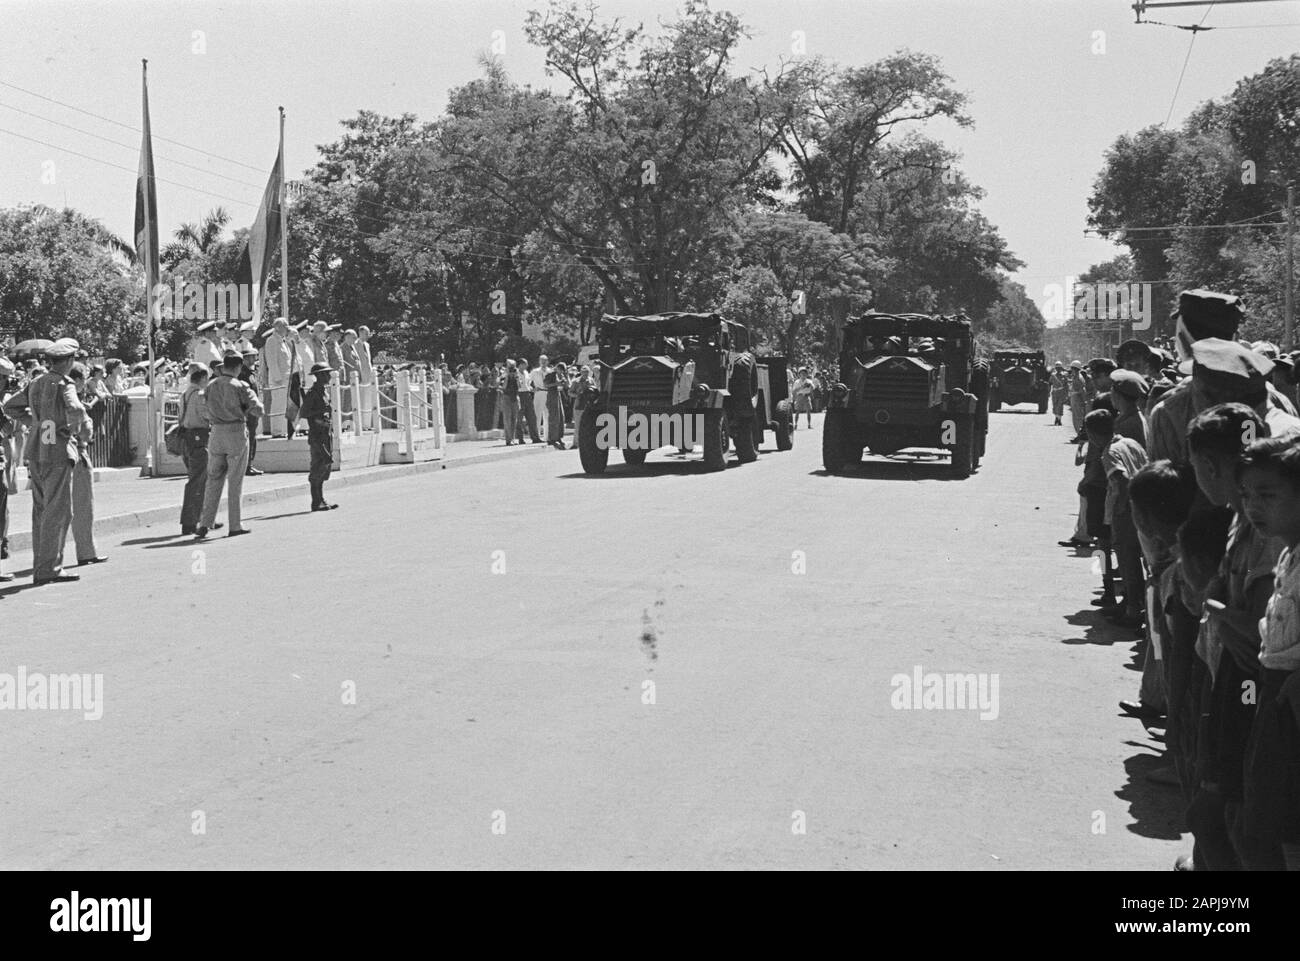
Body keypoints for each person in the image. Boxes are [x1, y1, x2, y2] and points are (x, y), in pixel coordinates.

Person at [1184, 402, 1281, 871]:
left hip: (1247, 692)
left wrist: (1216, 608)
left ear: (1207, 465)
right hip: (1236, 685)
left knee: (1224, 814)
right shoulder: (1247, 516)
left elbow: (1256, 634)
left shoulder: (1265, 531)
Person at [1238, 435, 1300, 869]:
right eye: (1246, 495)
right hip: (1276, 693)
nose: (1253, 506)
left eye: (1267, 495)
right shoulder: (1287, 555)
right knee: (1268, 820)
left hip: (1291, 697)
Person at [3, 341, 84, 583]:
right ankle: (48, 568)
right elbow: (76, 409)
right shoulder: (63, 383)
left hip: (36, 451)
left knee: (41, 511)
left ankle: (42, 565)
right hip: (57, 452)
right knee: (57, 513)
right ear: (68, 361)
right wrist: (71, 428)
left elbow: (10, 406)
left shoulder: (36, 382)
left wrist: (36, 422)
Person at [195, 352, 263, 540]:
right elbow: (259, 409)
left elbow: (204, 410)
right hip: (235, 432)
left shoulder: (210, 386)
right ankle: (235, 524)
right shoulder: (240, 386)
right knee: (235, 481)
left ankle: (205, 523)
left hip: (216, 433)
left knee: (213, 479)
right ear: (239, 366)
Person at [65, 364, 107, 567]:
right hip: (77, 451)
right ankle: (86, 552)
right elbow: (85, 432)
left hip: (57, 453)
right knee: (83, 506)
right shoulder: (74, 402)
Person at [299, 363, 338, 511]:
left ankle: (321, 499)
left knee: (324, 468)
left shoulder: (323, 392)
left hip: (325, 433)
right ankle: (316, 501)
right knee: (318, 467)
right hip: (317, 435)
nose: (328, 376)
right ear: (319, 376)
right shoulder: (313, 393)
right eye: (326, 374)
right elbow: (304, 413)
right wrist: (320, 410)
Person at [178, 366, 212, 536]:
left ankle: (203, 518)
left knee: (198, 479)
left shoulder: (185, 394)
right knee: (198, 480)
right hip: (199, 437)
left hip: (188, 438)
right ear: (203, 378)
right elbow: (207, 415)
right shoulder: (199, 395)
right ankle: (191, 521)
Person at [262, 317, 292, 438]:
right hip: (278, 380)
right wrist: (277, 377)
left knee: (284, 405)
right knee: (278, 405)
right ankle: (277, 431)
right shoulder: (272, 341)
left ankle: (283, 429)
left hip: (286, 378)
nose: (287, 329)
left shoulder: (283, 341)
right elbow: (272, 362)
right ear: (277, 327)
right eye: (285, 326)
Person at [240, 346, 264, 476]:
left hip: (253, 411)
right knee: (249, 438)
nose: (254, 359)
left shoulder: (250, 373)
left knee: (252, 437)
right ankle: (247, 465)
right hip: (248, 411)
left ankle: (250, 463)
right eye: (251, 356)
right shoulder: (242, 374)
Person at [516, 357, 540, 443]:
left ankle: (535, 437)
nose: (527, 365)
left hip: (527, 394)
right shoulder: (516, 373)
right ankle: (520, 438)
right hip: (520, 394)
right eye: (525, 363)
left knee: (532, 417)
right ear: (520, 364)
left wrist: (532, 389)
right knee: (519, 418)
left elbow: (528, 384)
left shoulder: (526, 373)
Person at [545, 361, 566, 449]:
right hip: (551, 395)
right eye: (560, 369)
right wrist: (556, 384)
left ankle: (558, 436)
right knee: (554, 417)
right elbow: (546, 384)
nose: (561, 371)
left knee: (561, 417)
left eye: (562, 370)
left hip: (558, 394)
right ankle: (552, 438)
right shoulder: (550, 374)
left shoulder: (561, 375)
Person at [500, 359, 520, 445]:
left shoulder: (517, 375)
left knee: (514, 419)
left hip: (515, 398)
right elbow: (503, 387)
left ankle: (512, 438)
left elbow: (519, 386)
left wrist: (516, 377)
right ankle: (508, 439)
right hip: (506, 397)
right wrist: (507, 376)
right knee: (507, 419)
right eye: (510, 369)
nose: (512, 371)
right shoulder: (504, 375)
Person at [531, 354, 550, 440]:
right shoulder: (535, 371)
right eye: (541, 361)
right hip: (538, 393)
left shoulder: (550, 371)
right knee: (537, 415)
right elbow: (527, 382)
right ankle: (537, 436)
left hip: (548, 393)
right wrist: (532, 389)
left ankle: (548, 436)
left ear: (547, 361)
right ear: (539, 361)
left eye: (545, 361)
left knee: (548, 415)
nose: (543, 362)